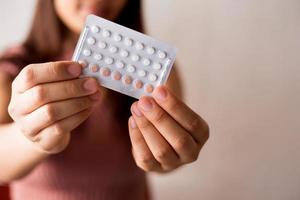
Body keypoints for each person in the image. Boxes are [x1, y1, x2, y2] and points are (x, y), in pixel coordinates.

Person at [0, 0, 209, 199]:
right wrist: (32, 138)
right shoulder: (12, 71)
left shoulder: (159, 72)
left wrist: (168, 157)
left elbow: (163, 161)